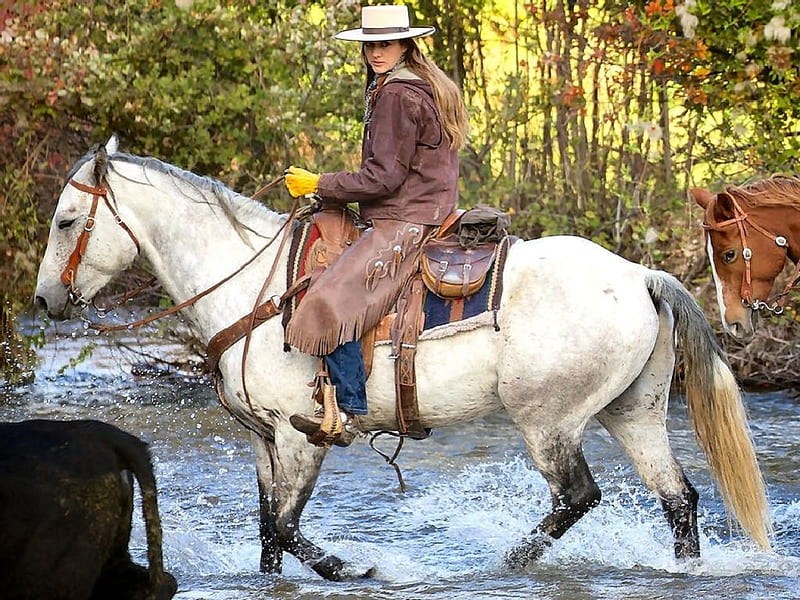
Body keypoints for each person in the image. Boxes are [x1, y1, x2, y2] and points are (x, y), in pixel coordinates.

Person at [283, 4, 469, 445]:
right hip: (426, 211)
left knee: (328, 301)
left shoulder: (396, 95)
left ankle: (347, 411)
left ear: (405, 44)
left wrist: (320, 183)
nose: (376, 53)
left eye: (385, 44)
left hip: (407, 220)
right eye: (370, 45)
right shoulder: (416, 86)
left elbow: (383, 177)